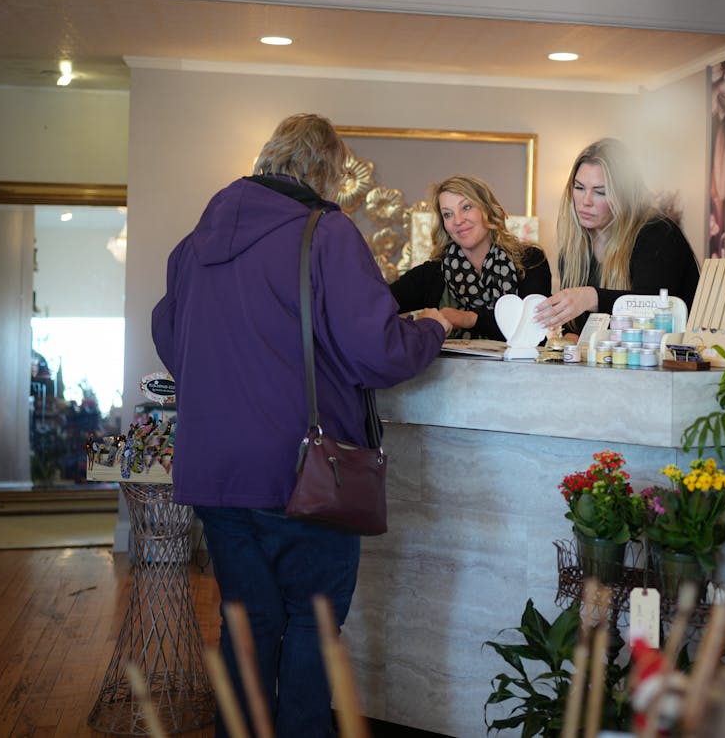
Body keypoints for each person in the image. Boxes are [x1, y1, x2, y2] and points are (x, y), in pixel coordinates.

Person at [151, 113, 451, 738]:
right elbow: (378, 351)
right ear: (325, 171)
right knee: (312, 626)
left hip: (214, 470)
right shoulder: (326, 231)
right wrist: (436, 327)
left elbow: (170, 335)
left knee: (247, 623)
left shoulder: (195, 242)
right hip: (302, 471)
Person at [534, 138, 699, 333]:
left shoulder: (659, 234)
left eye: (600, 192)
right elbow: (580, 329)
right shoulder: (574, 250)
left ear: (624, 195)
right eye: (579, 188)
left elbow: (651, 308)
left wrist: (591, 297)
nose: (585, 201)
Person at [390, 174, 551, 340]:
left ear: (487, 209)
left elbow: (534, 329)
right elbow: (377, 307)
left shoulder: (530, 261)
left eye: (466, 207)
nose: (458, 220)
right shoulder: (431, 274)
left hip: (517, 367)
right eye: (448, 214)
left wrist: (469, 319)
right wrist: (420, 324)